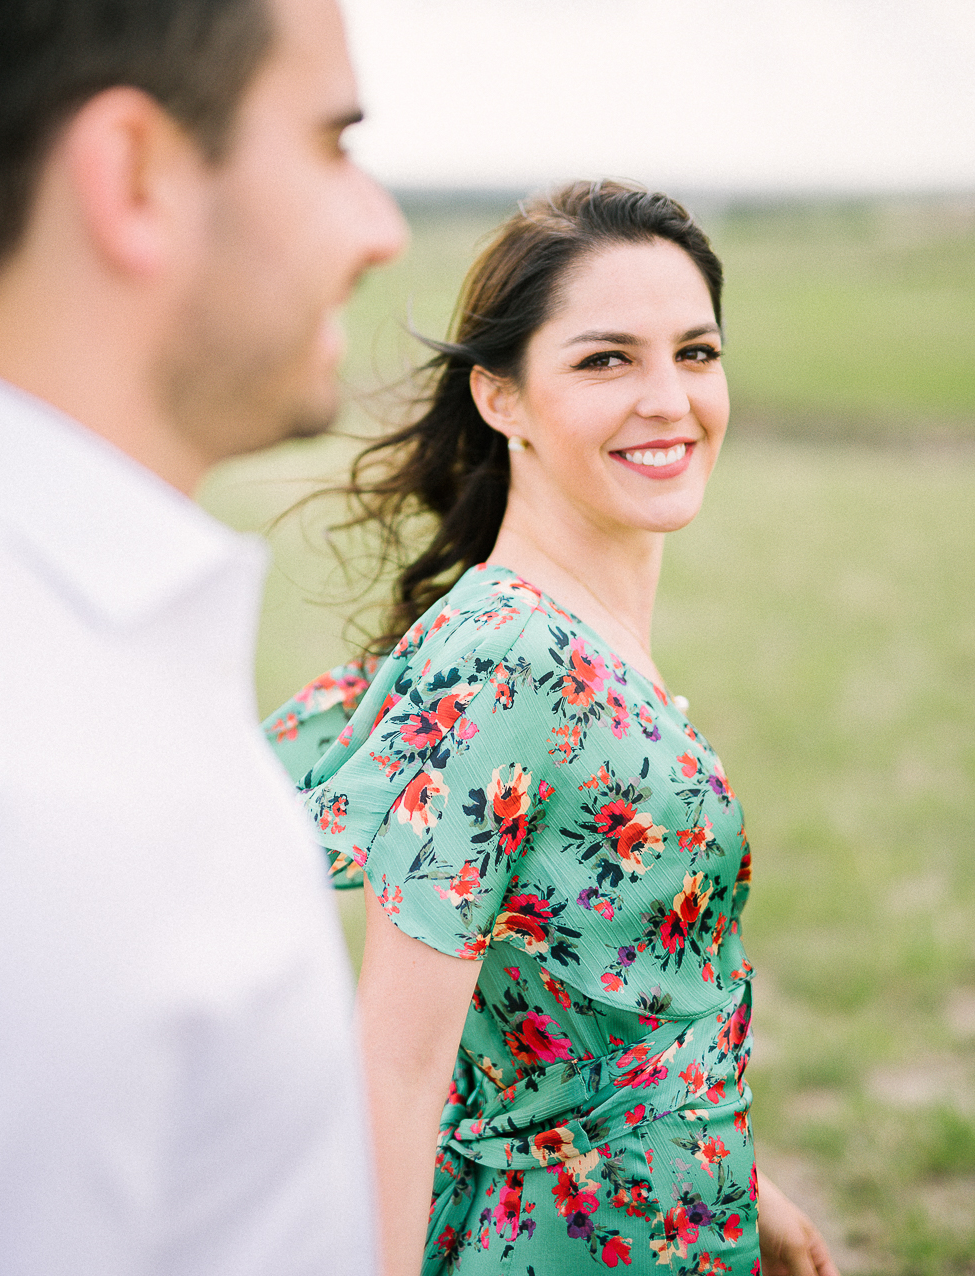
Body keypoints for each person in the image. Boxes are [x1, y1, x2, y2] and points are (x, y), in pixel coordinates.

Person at [0, 0, 405, 1275]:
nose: (379, 222)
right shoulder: (37, 802)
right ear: (136, 175)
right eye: (331, 140)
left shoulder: (71, 645)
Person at [267, 182, 840, 1276]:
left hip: (669, 1225)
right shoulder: (508, 659)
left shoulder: (579, 639)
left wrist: (738, 1179)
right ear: (502, 398)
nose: (669, 398)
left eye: (697, 352)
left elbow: (585, 985)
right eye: (605, 360)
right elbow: (394, 1074)